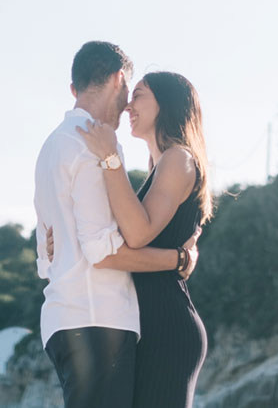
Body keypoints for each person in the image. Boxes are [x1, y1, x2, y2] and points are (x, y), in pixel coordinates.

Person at [34, 42, 198, 408]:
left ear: (74, 88)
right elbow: (102, 251)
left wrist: (61, 246)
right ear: (118, 79)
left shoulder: (52, 146)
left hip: (66, 319)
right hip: (98, 319)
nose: (128, 104)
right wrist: (179, 260)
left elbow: (46, 259)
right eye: (131, 92)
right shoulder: (95, 146)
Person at [76, 71, 212, 408]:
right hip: (147, 322)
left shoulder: (178, 158)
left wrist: (111, 158)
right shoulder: (160, 164)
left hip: (166, 324)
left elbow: (136, 235)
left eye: (138, 95)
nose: (127, 107)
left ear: (165, 103)